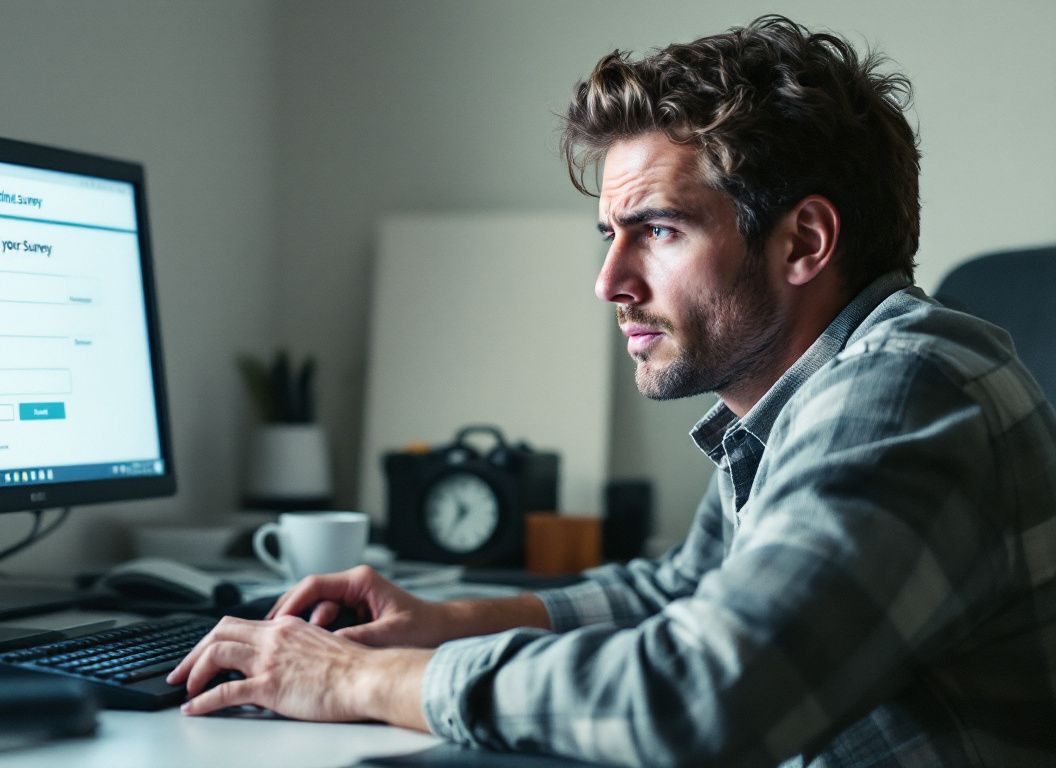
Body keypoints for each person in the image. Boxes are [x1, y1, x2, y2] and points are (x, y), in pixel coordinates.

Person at [168, 15, 1056, 766]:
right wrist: (443, 622)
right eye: (610, 235)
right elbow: (685, 591)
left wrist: (357, 678)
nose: (609, 283)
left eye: (658, 230)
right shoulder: (795, 399)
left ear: (803, 242)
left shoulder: (906, 392)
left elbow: (699, 696)